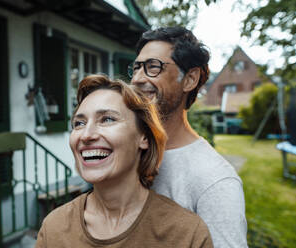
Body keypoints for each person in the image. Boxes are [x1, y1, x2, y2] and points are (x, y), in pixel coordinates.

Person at [35, 75, 213, 247]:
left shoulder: (187, 234)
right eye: (79, 123)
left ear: (144, 136)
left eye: (107, 119)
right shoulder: (54, 229)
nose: (86, 135)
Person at [129, 26, 248, 248]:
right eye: (135, 68)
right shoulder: (128, 154)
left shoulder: (214, 181)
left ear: (190, 79)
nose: (136, 79)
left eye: (152, 67)